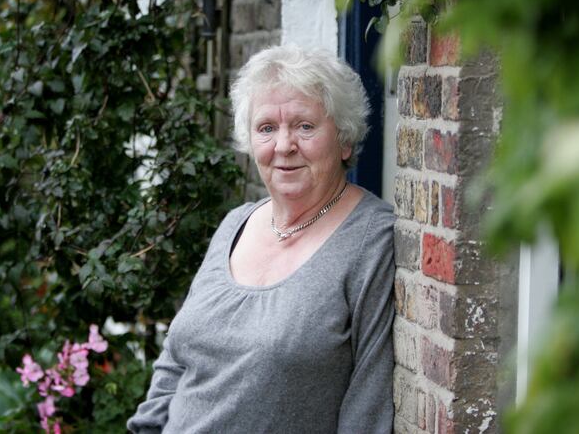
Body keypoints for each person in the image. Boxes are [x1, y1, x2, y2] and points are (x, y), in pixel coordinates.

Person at [127, 45, 395, 433]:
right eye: (267, 128)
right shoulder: (236, 223)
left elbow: (368, 404)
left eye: (305, 126)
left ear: (345, 139)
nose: (284, 146)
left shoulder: (372, 239)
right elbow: (176, 359)